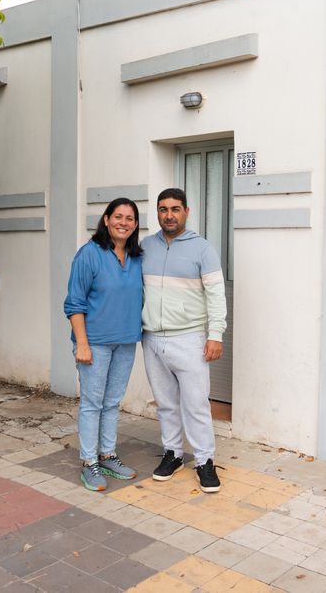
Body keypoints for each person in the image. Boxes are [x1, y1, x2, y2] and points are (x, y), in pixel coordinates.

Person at [141, 188, 226, 492]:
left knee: (196, 404)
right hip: (151, 339)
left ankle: (204, 461)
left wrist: (215, 334)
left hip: (189, 338)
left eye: (175, 209)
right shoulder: (146, 247)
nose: (169, 215)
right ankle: (173, 454)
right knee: (165, 403)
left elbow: (216, 295)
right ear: (158, 212)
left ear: (186, 212)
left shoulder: (202, 249)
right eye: (163, 209)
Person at [64, 198, 144, 491]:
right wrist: (81, 343)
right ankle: (89, 462)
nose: (124, 222)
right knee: (92, 403)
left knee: (111, 402)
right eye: (118, 217)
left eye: (130, 218)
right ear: (107, 219)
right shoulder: (89, 254)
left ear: (135, 225)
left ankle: (108, 454)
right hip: (94, 343)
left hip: (125, 341)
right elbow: (74, 303)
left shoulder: (136, 258)